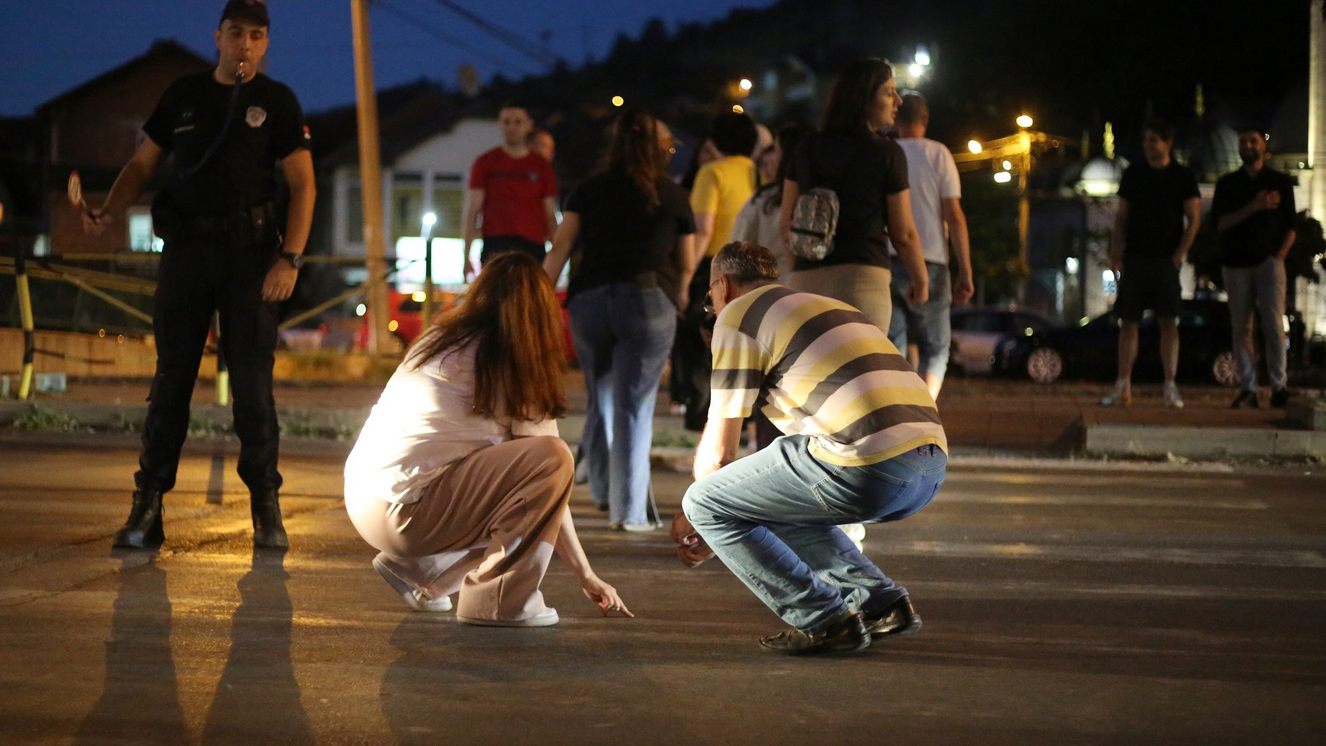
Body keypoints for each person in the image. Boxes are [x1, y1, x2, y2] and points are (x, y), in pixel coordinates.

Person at [84, 0, 315, 550]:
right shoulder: (184, 95)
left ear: (265, 42)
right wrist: (110, 210)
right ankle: (147, 506)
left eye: (256, 36)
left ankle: (266, 507)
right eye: (236, 33)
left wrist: (290, 259)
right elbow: (142, 164)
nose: (245, 45)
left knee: (253, 389)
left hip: (251, 258)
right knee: (171, 384)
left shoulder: (277, 101)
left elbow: (303, 184)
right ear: (218, 37)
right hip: (188, 253)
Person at [671, 242, 946, 655]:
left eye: (711, 300)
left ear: (723, 286)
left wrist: (700, 520)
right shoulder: (824, 307)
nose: (715, 309)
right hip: (929, 467)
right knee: (769, 492)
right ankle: (881, 604)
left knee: (704, 501)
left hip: (868, 466)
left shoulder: (739, 315)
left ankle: (824, 619)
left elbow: (718, 455)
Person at [344, 252, 632, 626]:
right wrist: (586, 574)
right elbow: (549, 482)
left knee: (510, 487)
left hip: (364, 499)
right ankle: (498, 600)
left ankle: (422, 572)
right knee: (553, 458)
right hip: (405, 516)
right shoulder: (513, 362)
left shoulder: (438, 337)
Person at [543, 109, 697, 530]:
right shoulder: (672, 195)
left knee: (603, 397)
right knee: (632, 406)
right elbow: (685, 262)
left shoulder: (587, 190)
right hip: (647, 301)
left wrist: (535, 296)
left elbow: (561, 247)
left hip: (590, 300)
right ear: (658, 149)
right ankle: (628, 511)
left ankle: (601, 488)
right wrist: (681, 292)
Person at [1101, 119, 1201, 409]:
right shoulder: (1134, 174)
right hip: (1135, 257)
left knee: (1168, 322)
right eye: (1146, 139)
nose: (1148, 145)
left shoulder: (1182, 176)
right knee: (1128, 322)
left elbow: (1194, 219)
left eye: (1154, 139)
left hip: (1165, 260)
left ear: (1168, 143)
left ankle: (1170, 385)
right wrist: (1116, 252)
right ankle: (1123, 385)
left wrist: (1179, 254)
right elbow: (1121, 216)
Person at [674, 113, 759, 431]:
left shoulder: (712, 172)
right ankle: (741, 422)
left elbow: (703, 229)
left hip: (714, 268)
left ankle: (703, 423)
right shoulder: (754, 171)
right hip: (751, 268)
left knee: (701, 343)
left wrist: (685, 279)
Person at [887, 93, 974, 400]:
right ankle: (922, 411)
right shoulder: (939, 154)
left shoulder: (887, 151)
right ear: (924, 119)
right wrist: (965, 270)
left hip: (888, 257)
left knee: (892, 344)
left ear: (896, 119)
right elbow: (954, 215)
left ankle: (895, 410)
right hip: (932, 260)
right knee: (935, 347)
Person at [1212, 126, 1297, 409]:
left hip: (1268, 264)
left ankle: (1279, 387)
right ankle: (1248, 388)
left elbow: (1291, 225)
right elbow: (1220, 224)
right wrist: (1255, 206)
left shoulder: (1279, 181)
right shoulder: (1228, 184)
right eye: (1243, 142)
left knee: (1273, 326)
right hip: (1236, 265)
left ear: (1263, 146)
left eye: (1253, 141)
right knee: (1242, 329)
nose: (1248, 146)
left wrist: (1279, 256)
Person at [462, 102, 559, 280]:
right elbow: (473, 210)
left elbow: (550, 213)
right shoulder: (485, 162)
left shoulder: (542, 167)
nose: (512, 127)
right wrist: (465, 255)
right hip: (496, 243)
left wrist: (557, 257)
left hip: (533, 245)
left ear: (528, 125)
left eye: (518, 122)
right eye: (507, 122)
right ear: (500, 124)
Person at [733, 123, 809, 284]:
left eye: (775, 149)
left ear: (787, 155)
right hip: (810, 287)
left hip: (768, 288)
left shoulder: (765, 200)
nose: (768, 156)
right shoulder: (818, 199)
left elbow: (738, 248)